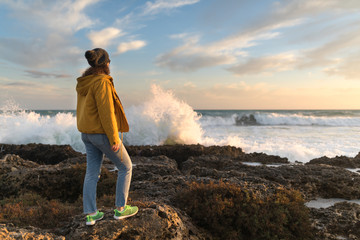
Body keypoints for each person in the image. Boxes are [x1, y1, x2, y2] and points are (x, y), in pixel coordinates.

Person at [76, 48, 138, 226]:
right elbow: (106, 112)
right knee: (126, 167)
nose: (110, 64)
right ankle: (121, 209)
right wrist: (113, 138)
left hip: (86, 134)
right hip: (101, 134)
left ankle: (91, 214)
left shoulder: (84, 82)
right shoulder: (102, 82)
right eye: (109, 61)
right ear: (105, 63)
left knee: (91, 173)